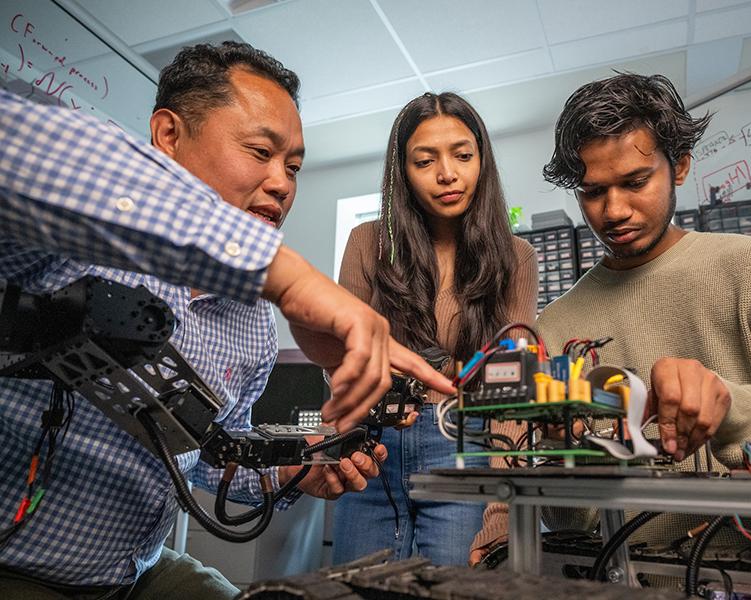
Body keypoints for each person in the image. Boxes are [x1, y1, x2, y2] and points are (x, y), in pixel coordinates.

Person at [0, 42, 452, 599]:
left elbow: (204, 457)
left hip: (134, 573)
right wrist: (285, 274)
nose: (283, 183)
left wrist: (290, 472)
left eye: (293, 167)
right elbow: (16, 139)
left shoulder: (254, 328)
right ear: (168, 137)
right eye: (260, 151)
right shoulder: (63, 242)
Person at [468, 73, 751, 567]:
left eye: (635, 182)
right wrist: (569, 447)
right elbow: (570, 521)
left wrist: (735, 413)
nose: (614, 210)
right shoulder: (557, 327)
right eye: (593, 191)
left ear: (680, 165)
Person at [332, 92, 538, 566]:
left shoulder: (516, 257)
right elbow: (342, 361)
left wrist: (502, 505)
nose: (448, 174)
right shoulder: (367, 243)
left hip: (465, 446)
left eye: (463, 156)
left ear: (481, 161)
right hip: (372, 447)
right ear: (402, 172)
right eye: (425, 161)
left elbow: (513, 392)